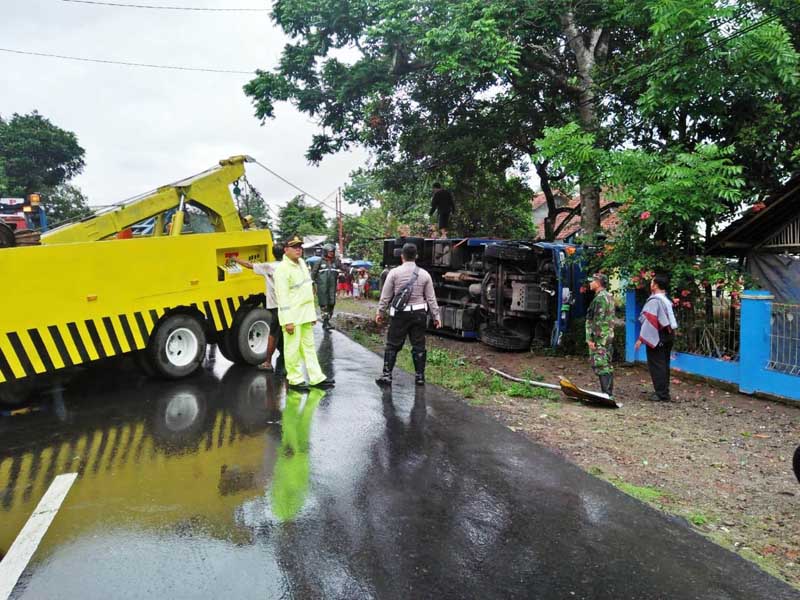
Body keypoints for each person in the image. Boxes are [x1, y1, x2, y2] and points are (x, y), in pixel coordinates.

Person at [375, 243, 442, 386]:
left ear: (402, 256)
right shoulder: (425, 274)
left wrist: (380, 312)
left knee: (392, 345)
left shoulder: (394, 273)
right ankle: (420, 377)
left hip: (400, 314)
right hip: (419, 314)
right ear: (416, 256)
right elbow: (431, 298)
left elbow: (385, 296)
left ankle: (387, 375)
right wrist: (436, 317)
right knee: (418, 345)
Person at [273, 234, 335, 390]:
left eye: (300, 247)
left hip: (305, 314)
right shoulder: (282, 269)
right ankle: (294, 379)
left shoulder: (301, 263)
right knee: (292, 349)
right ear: (286, 250)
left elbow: (307, 290)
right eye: (294, 247)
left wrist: (312, 315)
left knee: (309, 347)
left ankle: (316, 378)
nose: (298, 250)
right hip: (292, 316)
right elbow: (282, 297)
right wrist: (287, 321)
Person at [231, 245, 285, 373]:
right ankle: (285, 359)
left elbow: (249, 265)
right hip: (288, 306)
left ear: (273, 254)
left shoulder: (268, 267)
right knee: (285, 332)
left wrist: (235, 259)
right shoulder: (288, 267)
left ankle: (267, 362)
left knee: (273, 334)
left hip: (275, 306)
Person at [635, 274, 678, 402]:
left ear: (655, 285)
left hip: (658, 336)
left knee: (657, 364)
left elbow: (650, 322)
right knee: (664, 364)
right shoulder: (666, 299)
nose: (650, 284)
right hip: (668, 335)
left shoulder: (655, 301)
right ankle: (664, 391)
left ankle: (661, 394)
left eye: (652, 282)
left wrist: (641, 338)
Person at [585, 273, 615, 398]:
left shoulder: (600, 298)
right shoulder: (609, 296)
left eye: (592, 281)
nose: (590, 283)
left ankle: (607, 394)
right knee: (606, 363)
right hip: (607, 336)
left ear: (598, 282)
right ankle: (607, 393)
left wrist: (591, 339)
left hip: (600, 337)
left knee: (601, 364)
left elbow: (597, 320)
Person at [311, 244, 340, 330]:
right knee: (324, 304)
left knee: (332, 303)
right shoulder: (319, 262)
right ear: (326, 252)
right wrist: (313, 286)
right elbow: (313, 275)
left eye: (332, 252)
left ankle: (328, 320)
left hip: (332, 288)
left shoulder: (335, 262)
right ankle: (325, 322)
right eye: (330, 252)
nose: (331, 253)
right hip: (322, 288)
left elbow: (339, 272)